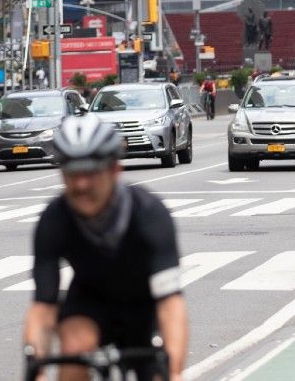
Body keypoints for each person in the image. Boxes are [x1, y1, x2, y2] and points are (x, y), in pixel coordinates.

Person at [24, 115, 188, 380]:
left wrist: (175, 371)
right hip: (89, 303)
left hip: (142, 308)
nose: (81, 185)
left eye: (90, 172)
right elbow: (43, 307)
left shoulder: (149, 214)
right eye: (72, 174)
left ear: (114, 170)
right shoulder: (54, 219)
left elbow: (171, 303)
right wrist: (38, 369)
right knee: (74, 351)